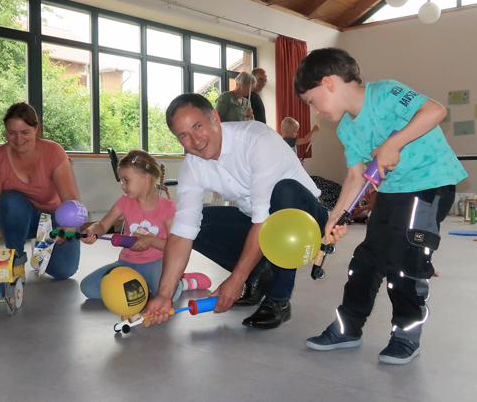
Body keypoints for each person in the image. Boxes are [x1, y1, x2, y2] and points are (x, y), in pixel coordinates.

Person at [294, 48, 467, 364]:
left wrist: (392, 143)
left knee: (406, 262)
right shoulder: (347, 128)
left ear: (329, 83)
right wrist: (335, 216)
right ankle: (348, 328)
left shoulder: (386, 92)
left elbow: (434, 111)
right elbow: (355, 174)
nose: (314, 111)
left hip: (431, 184)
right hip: (394, 190)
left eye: (311, 101)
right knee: (366, 259)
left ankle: (406, 335)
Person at [141, 93, 347, 330]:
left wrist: (235, 280)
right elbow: (182, 234)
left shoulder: (256, 139)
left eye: (198, 126)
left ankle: (278, 299)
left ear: (215, 118)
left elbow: (264, 219)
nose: (195, 140)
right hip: (259, 223)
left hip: (304, 218)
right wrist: (164, 294)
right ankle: (258, 277)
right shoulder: (193, 166)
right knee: (200, 224)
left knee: (284, 191)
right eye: (183, 135)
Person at [0, 102, 82, 280]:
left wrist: (65, 229)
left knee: (63, 271)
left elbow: (71, 202)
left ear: (36, 129)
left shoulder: (53, 152)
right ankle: (16, 260)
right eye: (11, 133)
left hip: (53, 222)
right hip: (19, 220)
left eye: (24, 132)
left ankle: (41, 249)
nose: (18, 139)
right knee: (10, 200)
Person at [80, 149, 211, 300]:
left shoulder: (168, 207)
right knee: (89, 287)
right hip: (126, 263)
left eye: (126, 180)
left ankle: (183, 282)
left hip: (157, 263)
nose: (122, 186)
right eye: (121, 181)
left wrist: (150, 240)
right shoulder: (124, 202)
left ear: (146, 178)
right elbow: (102, 226)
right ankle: (144, 288)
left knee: (170, 295)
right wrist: (92, 230)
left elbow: (174, 245)